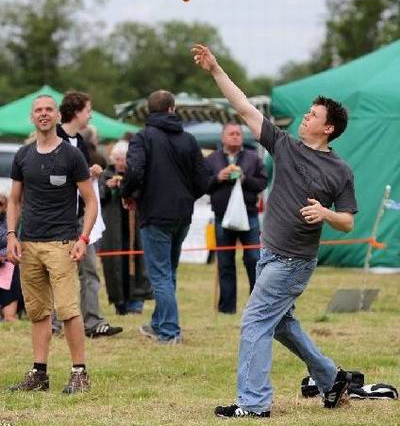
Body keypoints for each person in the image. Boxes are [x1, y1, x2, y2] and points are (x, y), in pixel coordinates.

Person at [192, 44, 358, 417]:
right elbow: (244, 108)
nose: (305, 117)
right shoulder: (284, 145)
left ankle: (253, 404)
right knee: (281, 323)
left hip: (294, 262)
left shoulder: (340, 171)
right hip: (269, 253)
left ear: (328, 128)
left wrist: (325, 214)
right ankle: (332, 379)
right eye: (307, 112)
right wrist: (216, 69)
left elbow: (348, 220)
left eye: (312, 115)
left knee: (254, 321)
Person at [6, 94, 97, 393]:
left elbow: (90, 201)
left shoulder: (72, 155)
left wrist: (83, 239)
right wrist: (11, 235)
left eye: (48, 109)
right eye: (38, 110)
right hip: (29, 244)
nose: (43, 114)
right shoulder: (23, 155)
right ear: (32, 117)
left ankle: (79, 373)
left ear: (58, 115)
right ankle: (39, 373)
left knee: (68, 310)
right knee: (37, 312)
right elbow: (14, 200)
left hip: (62, 243)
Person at [121, 90, 208, 343]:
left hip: (154, 213)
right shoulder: (189, 140)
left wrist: (128, 194)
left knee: (160, 275)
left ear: (149, 110)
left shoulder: (142, 137)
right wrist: (186, 196)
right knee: (168, 272)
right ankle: (159, 324)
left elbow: (134, 171)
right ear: (172, 108)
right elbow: (203, 180)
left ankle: (169, 332)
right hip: (182, 214)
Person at [58, 91, 123, 338]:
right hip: (56, 220)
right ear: (76, 112)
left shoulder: (80, 142)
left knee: (90, 271)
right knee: (57, 273)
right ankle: (53, 323)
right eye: (88, 110)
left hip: (80, 218)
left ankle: (93, 321)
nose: (91, 114)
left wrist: (91, 172)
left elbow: (79, 179)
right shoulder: (55, 138)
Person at [206, 123, 268, 314]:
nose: (235, 136)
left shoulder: (253, 158)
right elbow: (202, 184)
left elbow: (262, 183)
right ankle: (227, 308)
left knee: (254, 259)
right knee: (225, 262)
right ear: (222, 137)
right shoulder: (212, 159)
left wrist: (244, 179)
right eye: (231, 133)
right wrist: (218, 177)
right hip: (221, 217)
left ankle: (257, 307)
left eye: (238, 134)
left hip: (249, 216)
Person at [100, 140, 152, 315]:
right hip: (113, 231)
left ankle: (136, 302)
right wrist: (108, 188)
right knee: (115, 265)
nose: (121, 163)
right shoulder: (105, 175)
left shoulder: (137, 174)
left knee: (138, 263)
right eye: (118, 159)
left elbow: (143, 194)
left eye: (123, 159)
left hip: (135, 229)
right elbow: (98, 197)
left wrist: (126, 188)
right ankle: (119, 303)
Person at [0, 194, 24, 321]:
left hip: (8, 268)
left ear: (5, 206)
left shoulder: (11, 223)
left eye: (0, 204)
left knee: (10, 317)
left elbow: (16, 243)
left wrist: (2, 255)